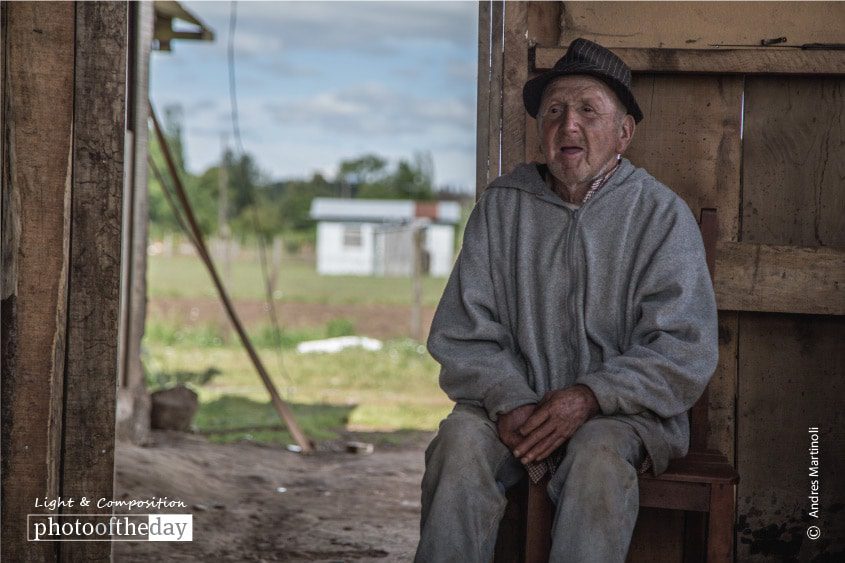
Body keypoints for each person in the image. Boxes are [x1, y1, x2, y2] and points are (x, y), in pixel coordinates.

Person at [414, 38, 718, 562]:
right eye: (554, 110)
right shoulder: (502, 207)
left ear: (624, 133)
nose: (568, 125)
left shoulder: (660, 216)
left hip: (622, 415)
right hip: (514, 409)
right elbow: (463, 332)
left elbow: (683, 349)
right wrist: (508, 397)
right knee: (459, 443)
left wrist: (590, 396)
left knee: (598, 455)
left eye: (587, 110)